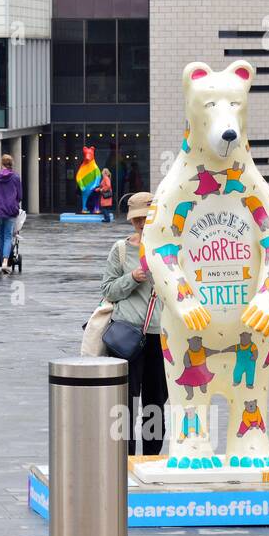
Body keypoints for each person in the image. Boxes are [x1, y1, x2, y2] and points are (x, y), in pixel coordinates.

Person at [99, 192, 168, 456]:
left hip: (159, 336)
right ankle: (124, 457)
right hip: (125, 336)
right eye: (136, 219)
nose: (140, 224)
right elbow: (108, 289)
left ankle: (151, 457)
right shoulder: (120, 249)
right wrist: (132, 278)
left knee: (155, 402)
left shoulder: (170, 249)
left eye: (145, 218)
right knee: (124, 401)